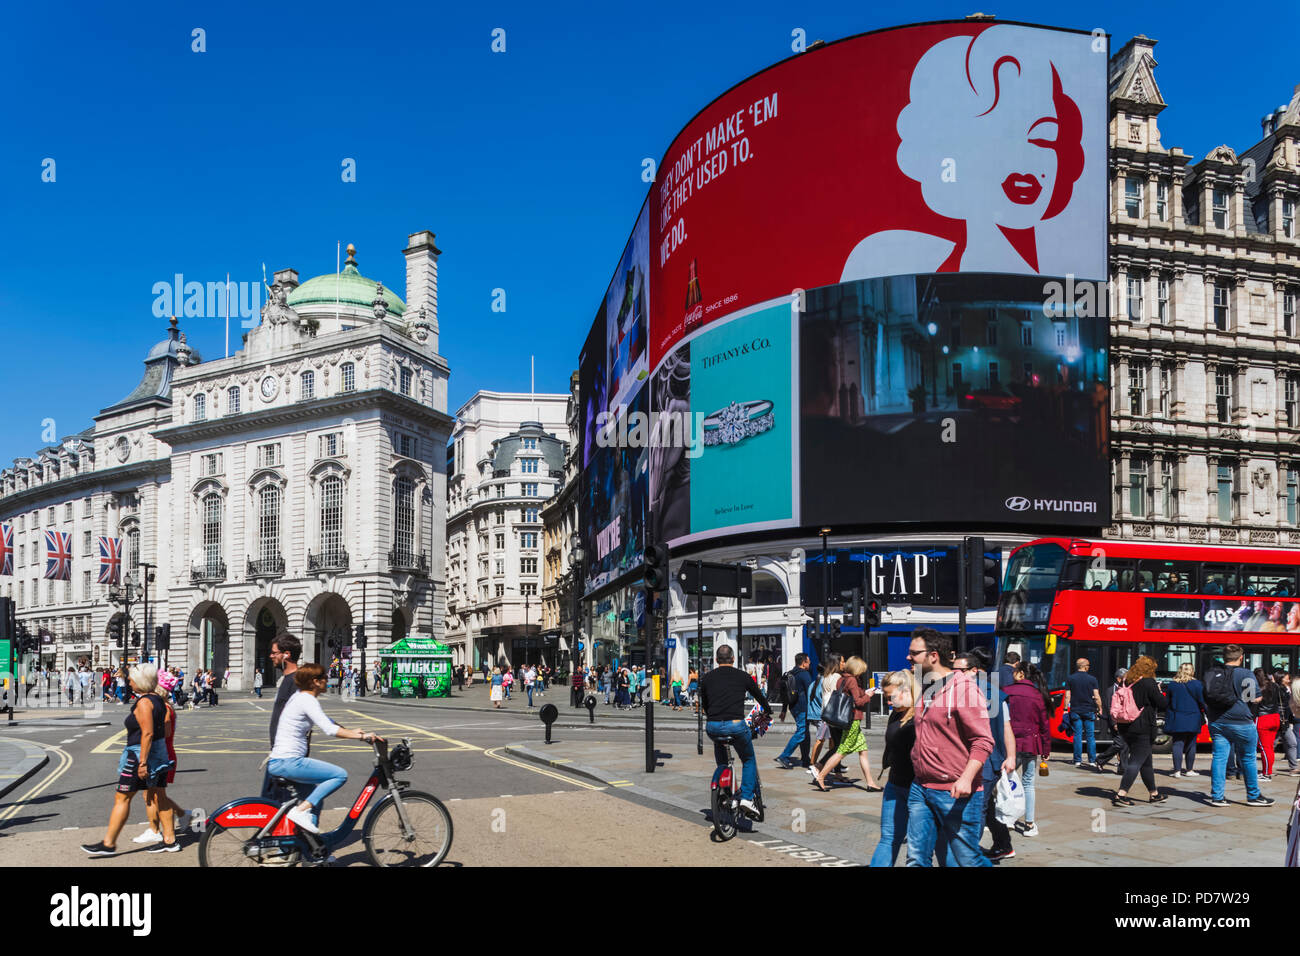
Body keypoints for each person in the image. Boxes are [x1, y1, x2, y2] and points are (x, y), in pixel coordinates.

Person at [905, 627, 994, 868]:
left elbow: (983, 741)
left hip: (955, 791)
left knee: (967, 860)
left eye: (914, 653)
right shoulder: (927, 687)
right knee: (915, 858)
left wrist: (966, 779)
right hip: (921, 787)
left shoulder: (965, 689)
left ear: (933, 656)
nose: (908, 657)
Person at [267, 663, 381, 834]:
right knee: (339, 775)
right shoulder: (307, 700)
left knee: (315, 799)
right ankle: (298, 812)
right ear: (315, 682)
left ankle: (312, 851)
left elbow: (327, 720)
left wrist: (352, 731)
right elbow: (330, 729)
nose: (328, 681)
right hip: (289, 761)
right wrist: (362, 737)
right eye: (324, 678)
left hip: (280, 760)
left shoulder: (299, 696)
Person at [80, 664, 178, 856]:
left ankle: (108, 843)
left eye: (131, 679)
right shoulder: (159, 700)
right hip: (159, 755)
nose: (129, 682)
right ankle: (170, 840)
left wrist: (142, 762)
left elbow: (147, 733)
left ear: (140, 682)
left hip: (139, 755)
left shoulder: (144, 703)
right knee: (160, 796)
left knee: (122, 797)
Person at [954, 647, 1018, 862]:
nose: (955, 674)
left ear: (974, 670)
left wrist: (1011, 756)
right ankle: (1004, 845)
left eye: (959, 670)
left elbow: (1006, 727)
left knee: (977, 809)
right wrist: (1010, 756)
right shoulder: (991, 692)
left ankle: (969, 856)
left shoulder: (980, 693)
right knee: (988, 806)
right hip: (988, 759)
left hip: (986, 760)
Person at [700, 644, 771, 817]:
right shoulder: (743, 676)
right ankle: (746, 797)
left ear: (716, 660)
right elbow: (759, 696)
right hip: (736, 725)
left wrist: (714, 717)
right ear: (733, 659)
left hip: (713, 726)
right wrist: (767, 710)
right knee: (748, 759)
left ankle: (724, 784)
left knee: (720, 745)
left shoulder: (707, 678)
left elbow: (705, 705)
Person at [1205, 645, 1274, 807]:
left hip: (1217, 722)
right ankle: (1253, 795)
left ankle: (1217, 797)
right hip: (1241, 722)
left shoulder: (1214, 672)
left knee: (1219, 758)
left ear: (1224, 657)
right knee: (1248, 758)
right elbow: (1252, 698)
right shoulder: (1245, 673)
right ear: (1241, 657)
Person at [133, 671, 192, 844]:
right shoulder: (164, 706)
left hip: (161, 754)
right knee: (155, 794)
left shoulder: (164, 708)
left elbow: (165, 732)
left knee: (151, 795)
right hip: (163, 753)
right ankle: (182, 815)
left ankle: (155, 830)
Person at [870, 669, 920, 867]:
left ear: (907, 691)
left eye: (890, 697)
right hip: (895, 784)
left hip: (919, 789)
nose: (888, 702)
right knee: (889, 838)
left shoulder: (923, 717)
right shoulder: (895, 715)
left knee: (921, 847)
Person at [811, 656, 881, 792]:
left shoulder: (842, 679)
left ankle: (870, 782)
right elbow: (858, 702)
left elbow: (852, 694)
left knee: (863, 751)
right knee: (841, 751)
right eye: (862, 670)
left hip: (847, 719)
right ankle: (821, 776)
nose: (862, 672)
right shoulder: (853, 680)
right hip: (853, 720)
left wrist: (864, 692)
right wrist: (869, 696)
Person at [1112, 656, 1169, 807]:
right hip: (1143, 727)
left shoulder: (1127, 681)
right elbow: (1162, 703)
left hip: (1126, 725)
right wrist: (1159, 690)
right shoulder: (1149, 682)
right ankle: (1121, 794)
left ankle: (1154, 793)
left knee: (1146, 762)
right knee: (1136, 761)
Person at [1005, 660, 1051, 837]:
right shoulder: (1037, 695)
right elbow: (1044, 726)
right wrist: (1046, 750)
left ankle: (1006, 818)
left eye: (1015, 671)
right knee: (1028, 783)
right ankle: (1029, 824)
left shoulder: (1006, 692)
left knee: (1006, 780)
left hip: (1010, 743)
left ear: (1021, 674)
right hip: (1031, 743)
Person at [262, 632, 302, 800]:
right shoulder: (287, 679)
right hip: (280, 753)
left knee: (273, 805)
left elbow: (307, 714)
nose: (271, 656)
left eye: (274, 652)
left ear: (287, 654)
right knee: (274, 805)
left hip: (287, 757)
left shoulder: (297, 681)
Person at [1163, 662, 1206, 777]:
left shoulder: (1172, 684)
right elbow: (1202, 702)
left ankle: (1177, 771)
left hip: (1177, 717)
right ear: (1192, 671)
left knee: (1177, 744)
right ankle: (1189, 770)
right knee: (1191, 744)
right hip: (1193, 717)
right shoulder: (1197, 684)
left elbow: (1166, 702)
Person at [774, 653, 815, 769]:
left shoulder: (790, 673)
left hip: (793, 707)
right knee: (802, 732)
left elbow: (784, 693)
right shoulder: (804, 674)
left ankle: (805, 759)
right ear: (803, 663)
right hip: (802, 707)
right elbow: (810, 692)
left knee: (804, 732)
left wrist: (784, 710)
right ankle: (784, 756)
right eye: (808, 661)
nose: (810, 663)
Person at [809, 654, 845, 778]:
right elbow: (838, 696)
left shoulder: (826, 677)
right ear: (837, 663)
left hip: (827, 715)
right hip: (836, 715)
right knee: (840, 746)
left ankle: (838, 772)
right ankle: (818, 765)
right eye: (842, 661)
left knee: (837, 745)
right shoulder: (837, 677)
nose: (844, 664)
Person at [1063, 658, 1103, 768]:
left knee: (1077, 735)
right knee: (1090, 736)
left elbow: (1067, 696)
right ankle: (1092, 760)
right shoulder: (1092, 679)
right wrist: (1100, 708)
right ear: (1085, 666)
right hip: (1089, 710)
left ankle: (1077, 760)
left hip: (1075, 710)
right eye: (1088, 665)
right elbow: (1097, 696)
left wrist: (1066, 709)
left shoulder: (1070, 678)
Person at [1094, 668, 1130, 774]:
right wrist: (1114, 723)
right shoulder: (1111, 690)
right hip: (1115, 722)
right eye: (1126, 678)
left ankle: (1123, 768)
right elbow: (1110, 708)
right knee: (1120, 744)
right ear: (1119, 679)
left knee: (1125, 744)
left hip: (1124, 721)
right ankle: (1100, 759)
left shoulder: (1126, 688)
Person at [1254, 668, 1283, 781]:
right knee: (1269, 747)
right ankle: (1268, 770)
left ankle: (1266, 773)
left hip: (1263, 718)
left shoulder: (1257, 688)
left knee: (1264, 747)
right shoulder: (1274, 686)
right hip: (1275, 717)